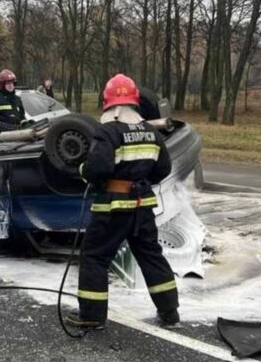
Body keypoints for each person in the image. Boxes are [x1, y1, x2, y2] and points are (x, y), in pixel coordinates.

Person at [65, 73, 179, 330]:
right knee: (151, 256)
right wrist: (140, 178)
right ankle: (170, 312)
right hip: (143, 208)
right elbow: (163, 169)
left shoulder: (108, 131)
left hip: (113, 209)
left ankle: (92, 315)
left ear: (108, 103)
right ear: (134, 102)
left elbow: (98, 169)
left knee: (94, 256)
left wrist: (82, 170)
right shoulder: (151, 132)